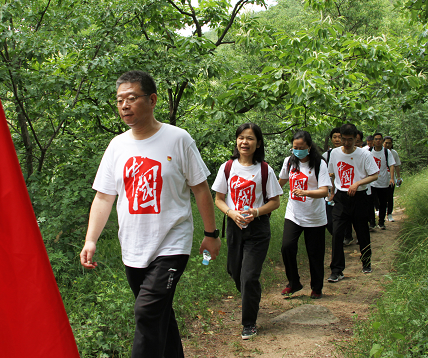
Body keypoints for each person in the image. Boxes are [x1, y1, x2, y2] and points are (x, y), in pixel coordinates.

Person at [79, 71, 220, 358]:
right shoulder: (117, 146)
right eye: (119, 100)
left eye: (132, 98)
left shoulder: (178, 139)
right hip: (133, 246)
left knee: (146, 312)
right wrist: (91, 239)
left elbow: (201, 189)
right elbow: (104, 196)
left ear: (152, 99)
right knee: (158, 316)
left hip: (171, 244)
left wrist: (210, 234)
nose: (124, 105)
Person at [211, 123, 283, 340]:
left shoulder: (264, 169)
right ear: (236, 141)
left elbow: (275, 202)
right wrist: (231, 213)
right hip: (234, 227)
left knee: (249, 276)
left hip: (258, 229)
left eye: (250, 138)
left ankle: (249, 323)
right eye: (241, 137)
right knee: (235, 272)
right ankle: (251, 299)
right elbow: (219, 199)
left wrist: (256, 211)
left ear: (258, 143)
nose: (245, 142)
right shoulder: (227, 167)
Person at [278, 131, 331, 299]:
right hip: (294, 214)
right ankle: (294, 282)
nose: (298, 151)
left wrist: (306, 192)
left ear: (309, 147)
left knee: (315, 254)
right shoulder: (289, 162)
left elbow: (324, 191)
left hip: (315, 216)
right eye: (295, 147)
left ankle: (317, 287)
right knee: (287, 247)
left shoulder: (319, 164)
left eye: (301, 148)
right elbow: (281, 183)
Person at [327, 123, 379, 280]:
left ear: (356, 138)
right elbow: (332, 174)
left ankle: (366, 262)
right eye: (344, 139)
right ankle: (336, 270)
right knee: (337, 233)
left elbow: (374, 175)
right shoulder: (335, 153)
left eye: (350, 139)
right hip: (341, 198)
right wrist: (331, 192)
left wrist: (357, 183)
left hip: (360, 197)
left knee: (362, 231)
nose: (347, 143)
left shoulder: (364, 155)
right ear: (340, 137)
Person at [369, 133, 395, 229]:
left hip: (383, 182)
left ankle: (381, 222)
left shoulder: (387, 152)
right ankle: (372, 222)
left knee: (383, 203)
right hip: (371, 182)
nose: (378, 141)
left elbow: (391, 165)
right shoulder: (369, 151)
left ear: (382, 141)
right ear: (373, 141)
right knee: (371, 203)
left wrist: (391, 178)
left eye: (380, 139)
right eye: (376, 139)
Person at [384, 136, 402, 222]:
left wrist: (398, 177)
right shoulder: (378, 152)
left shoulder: (394, 153)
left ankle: (389, 214)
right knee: (381, 197)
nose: (387, 145)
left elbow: (397, 166)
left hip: (391, 179)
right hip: (380, 179)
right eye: (386, 143)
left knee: (390, 196)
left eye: (389, 143)